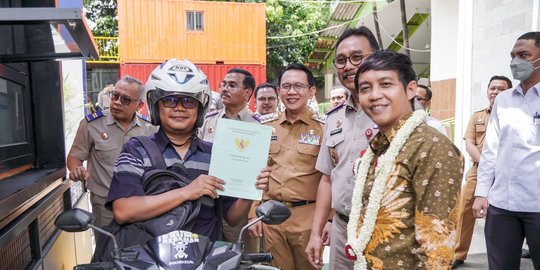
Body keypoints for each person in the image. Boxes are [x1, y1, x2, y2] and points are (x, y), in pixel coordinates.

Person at [106, 59, 269, 243]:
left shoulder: (215, 154)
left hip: (204, 259)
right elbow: (123, 211)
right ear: (155, 105)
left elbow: (232, 218)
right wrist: (188, 192)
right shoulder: (136, 149)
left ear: (200, 108)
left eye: (189, 101)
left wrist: (250, 189)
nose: (180, 107)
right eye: (169, 100)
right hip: (150, 258)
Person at [346, 50, 463, 269]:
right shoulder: (379, 144)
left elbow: (437, 250)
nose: (374, 95)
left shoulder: (432, 147)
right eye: (365, 88)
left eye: (386, 84)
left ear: (410, 89)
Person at [305, 26, 379, 270]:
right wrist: (317, 232)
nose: (348, 66)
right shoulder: (334, 118)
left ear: (376, 58)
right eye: (341, 60)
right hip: (342, 230)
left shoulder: (398, 110)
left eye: (357, 57)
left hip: (384, 231)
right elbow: (327, 178)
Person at [472, 32, 540, 270]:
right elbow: (491, 150)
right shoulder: (504, 100)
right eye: (512, 56)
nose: (515, 62)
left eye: (523, 55)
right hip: (502, 206)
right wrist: (482, 192)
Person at [248, 63, 325, 270]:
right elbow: (255, 173)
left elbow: (330, 178)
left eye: (299, 86)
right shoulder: (265, 127)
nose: (292, 92)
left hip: (308, 219)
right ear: (279, 90)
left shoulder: (323, 129)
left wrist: (329, 221)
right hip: (271, 218)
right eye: (286, 86)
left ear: (311, 91)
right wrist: (253, 214)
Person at [67, 76, 157, 228]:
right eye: (115, 96)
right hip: (104, 204)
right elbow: (74, 157)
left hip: (141, 203)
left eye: (125, 99)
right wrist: (76, 169)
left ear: (139, 105)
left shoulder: (150, 129)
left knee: (138, 248)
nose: (117, 102)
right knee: (107, 248)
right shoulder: (92, 124)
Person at [451, 75, 512, 269]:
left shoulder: (513, 115)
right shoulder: (477, 116)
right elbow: (469, 144)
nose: (495, 92)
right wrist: (487, 164)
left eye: (501, 89)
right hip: (477, 172)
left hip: (506, 174)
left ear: (509, 92)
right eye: (492, 88)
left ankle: (506, 255)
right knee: (465, 212)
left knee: (503, 216)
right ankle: (458, 253)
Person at [198, 68, 260, 251]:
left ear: (247, 92)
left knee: (239, 257)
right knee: (207, 254)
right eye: (223, 84)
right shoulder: (207, 122)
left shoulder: (259, 126)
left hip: (240, 206)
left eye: (232, 85)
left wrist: (252, 212)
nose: (225, 89)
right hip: (209, 203)